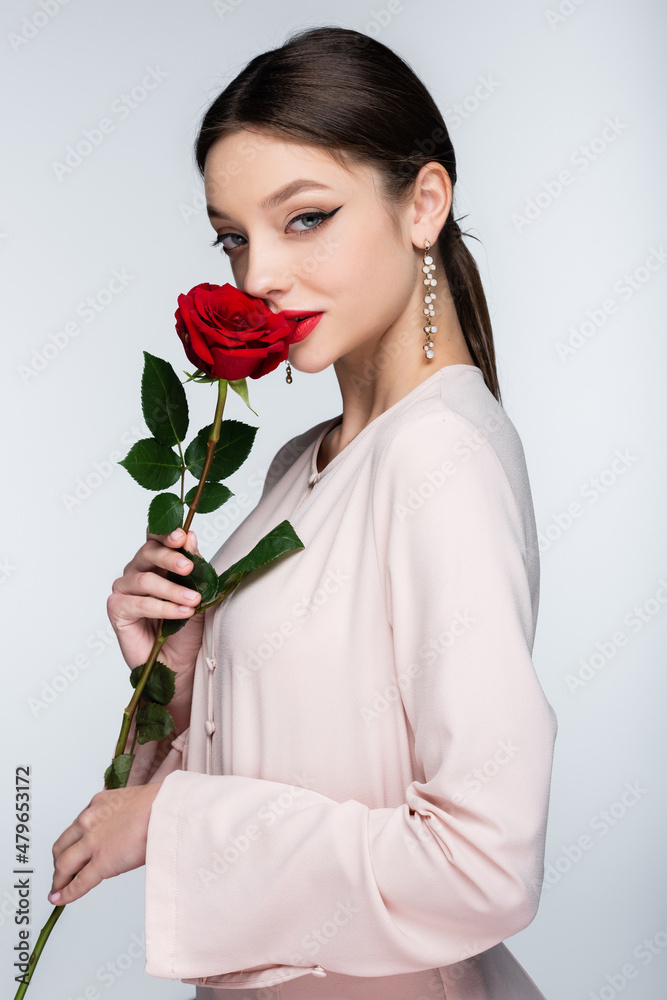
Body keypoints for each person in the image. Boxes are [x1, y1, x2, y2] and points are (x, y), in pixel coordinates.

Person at [49, 25, 558, 1000]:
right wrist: (179, 670)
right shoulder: (303, 459)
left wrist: (166, 820)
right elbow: (308, 747)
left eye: (306, 218)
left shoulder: (440, 456)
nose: (257, 278)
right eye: (234, 237)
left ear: (423, 203)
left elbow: (482, 859)